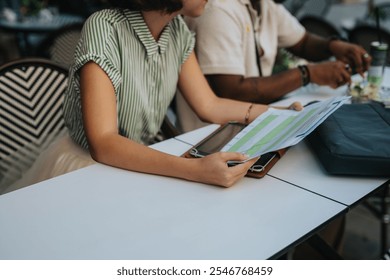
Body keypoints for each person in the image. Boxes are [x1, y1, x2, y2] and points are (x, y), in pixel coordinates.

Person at [2, 0, 302, 194]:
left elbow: (209, 105)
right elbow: (103, 143)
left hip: (141, 161)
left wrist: (278, 113)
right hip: (85, 171)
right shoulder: (104, 27)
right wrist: (195, 170)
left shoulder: (179, 33)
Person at [176, 0, 372, 132]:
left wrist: (334, 46)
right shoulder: (216, 10)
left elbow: (302, 42)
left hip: (250, 126)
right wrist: (306, 74)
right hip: (209, 136)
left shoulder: (266, 5)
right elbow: (232, 91)